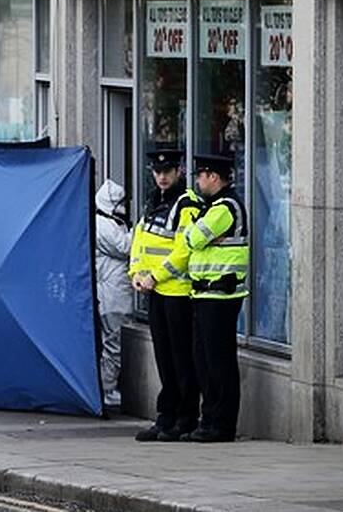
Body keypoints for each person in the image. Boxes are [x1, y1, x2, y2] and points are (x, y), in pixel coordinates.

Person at [131, 149, 204, 442]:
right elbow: (139, 240)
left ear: (178, 173)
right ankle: (166, 416)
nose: (162, 177)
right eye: (158, 172)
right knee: (164, 357)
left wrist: (155, 276)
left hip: (177, 292)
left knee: (182, 359)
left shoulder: (187, 204)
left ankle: (186, 418)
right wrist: (135, 272)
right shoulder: (153, 202)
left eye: (168, 172)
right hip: (154, 291)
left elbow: (183, 250)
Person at [178, 154, 250, 443]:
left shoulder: (224, 208)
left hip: (221, 294)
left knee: (219, 363)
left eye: (201, 176)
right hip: (205, 293)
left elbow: (192, 239)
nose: (197, 181)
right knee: (204, 361)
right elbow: (191, 237)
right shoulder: (213, 208)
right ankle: (208, 420)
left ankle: (221, 425)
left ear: (214, 178)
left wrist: (200, 234)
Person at [94, 179, 133, 411]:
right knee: (112, 344)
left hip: (113, 292)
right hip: (112, 295)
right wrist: (140, 230)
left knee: (111, 343)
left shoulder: (107, 222)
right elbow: (125, 248)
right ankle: (107, 389)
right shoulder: (104, 224)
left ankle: (107, 387)